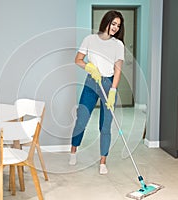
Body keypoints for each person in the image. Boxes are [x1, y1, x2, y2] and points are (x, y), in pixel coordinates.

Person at [69, 10, 125, 175]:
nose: (115, 27)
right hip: (91, 83)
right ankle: (73, 151)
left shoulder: (118, 44)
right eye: (113, 23)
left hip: (109, 84)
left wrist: (113, 90)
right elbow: (77, 59)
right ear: (106, 22)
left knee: (105, 125)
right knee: (82, 119)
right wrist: (89, 67)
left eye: (118, 25)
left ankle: (103, 161)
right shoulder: (90, 40)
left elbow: (118, 69)